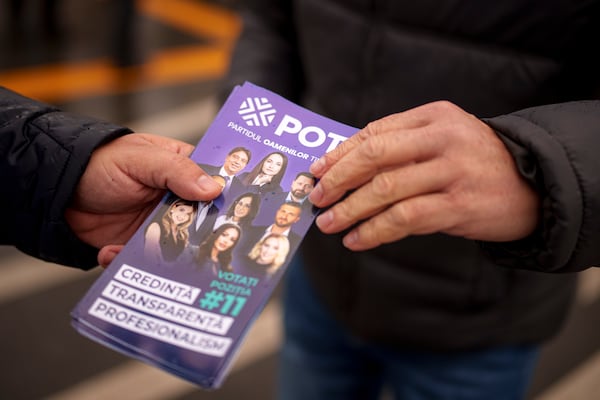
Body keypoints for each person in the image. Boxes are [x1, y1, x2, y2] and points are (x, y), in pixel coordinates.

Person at [222, 2, 600, 399]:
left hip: (474, 319)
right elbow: (272, 19)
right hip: (317, 274)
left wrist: (540, 172)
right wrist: (247, 129)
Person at [0, 85, 223, 269]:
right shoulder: (158, 230)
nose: (184, 215)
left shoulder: (184, 235)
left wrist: (71, 177)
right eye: (182, 210)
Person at [144, 196, 197, 263]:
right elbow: (150, 258)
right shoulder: (155, 227)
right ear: (173, 207)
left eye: (188, 214)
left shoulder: (182, 234)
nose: (183, 216)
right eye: (182, 210)